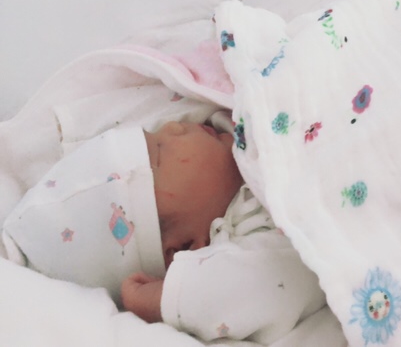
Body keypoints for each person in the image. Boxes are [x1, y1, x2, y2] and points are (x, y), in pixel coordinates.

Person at [2, 113, 327, 344]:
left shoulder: (236, 119)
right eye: (160, 150)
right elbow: (269, 283)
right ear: (183, 249)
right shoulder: (245, 240)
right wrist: (171, 298)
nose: (172, 126)